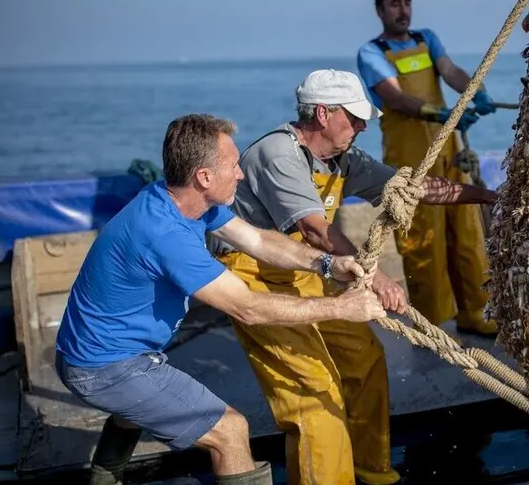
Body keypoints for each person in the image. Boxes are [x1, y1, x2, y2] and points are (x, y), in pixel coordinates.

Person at [53, 113, 387, 485]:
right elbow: (248, 307)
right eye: (233, 166)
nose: (241, 174)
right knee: (229, 432)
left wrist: (326, 263)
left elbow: (257, 240)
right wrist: (342, 307)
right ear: (204, 177)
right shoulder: (167, 235)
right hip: (105, 367)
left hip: (101, 353)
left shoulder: (178, 199)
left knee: (134, 410)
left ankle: (104, 477)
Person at [210, 69, 499, 485]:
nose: (364, 125)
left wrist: (485, 195)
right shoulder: (280, 154)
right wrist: (378, 278)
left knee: (365, 358)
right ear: (323, 114)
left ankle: (369, 469)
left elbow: (410, 188)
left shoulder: (343, 157)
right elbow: (315, 230)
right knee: (313, 392)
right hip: (253, 276)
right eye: (355, 117)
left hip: (307, 268)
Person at [356, 0, 501, 336]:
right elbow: (394, 96)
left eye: (406, 3)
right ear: (379, 10)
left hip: (447, 150)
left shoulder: (427, 39)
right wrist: (439, 113)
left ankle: (476, 312)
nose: (403, 11)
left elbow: (449, 71)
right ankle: (431, 323)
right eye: (394, 4)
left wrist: (475, 91)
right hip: (409, 160)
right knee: (423, 240)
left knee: (466, 233)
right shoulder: (372, 53)